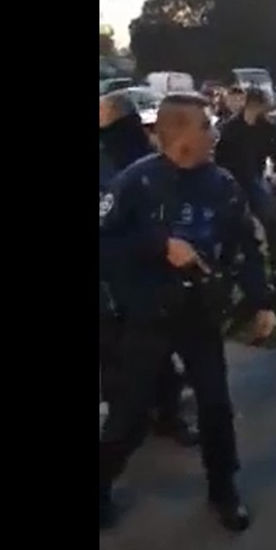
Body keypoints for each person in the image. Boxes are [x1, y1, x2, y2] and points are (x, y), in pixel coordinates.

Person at [99, 92, 276, 533]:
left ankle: (223, 490)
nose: (214, 133)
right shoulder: (135, 184)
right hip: (146, 316)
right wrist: (159, 246)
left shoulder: (223, 184)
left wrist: (261, 300)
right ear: (180, 136)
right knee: (131, 412)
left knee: (215, 405)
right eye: (206, 126)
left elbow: (245, 246)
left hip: (199, 314)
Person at [99, 93, 199, 447]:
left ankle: (160, 416)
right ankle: (130, 427)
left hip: (141, 277)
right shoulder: (134, 157)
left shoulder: (137, 159)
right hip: (122, 280)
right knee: (121, 360)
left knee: (150, 356)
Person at [214, 87, 276, 229]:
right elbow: (218, 154)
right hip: (234, 178)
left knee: (266, 208)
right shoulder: (229, 128)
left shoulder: (265, 126)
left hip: (254, 175)